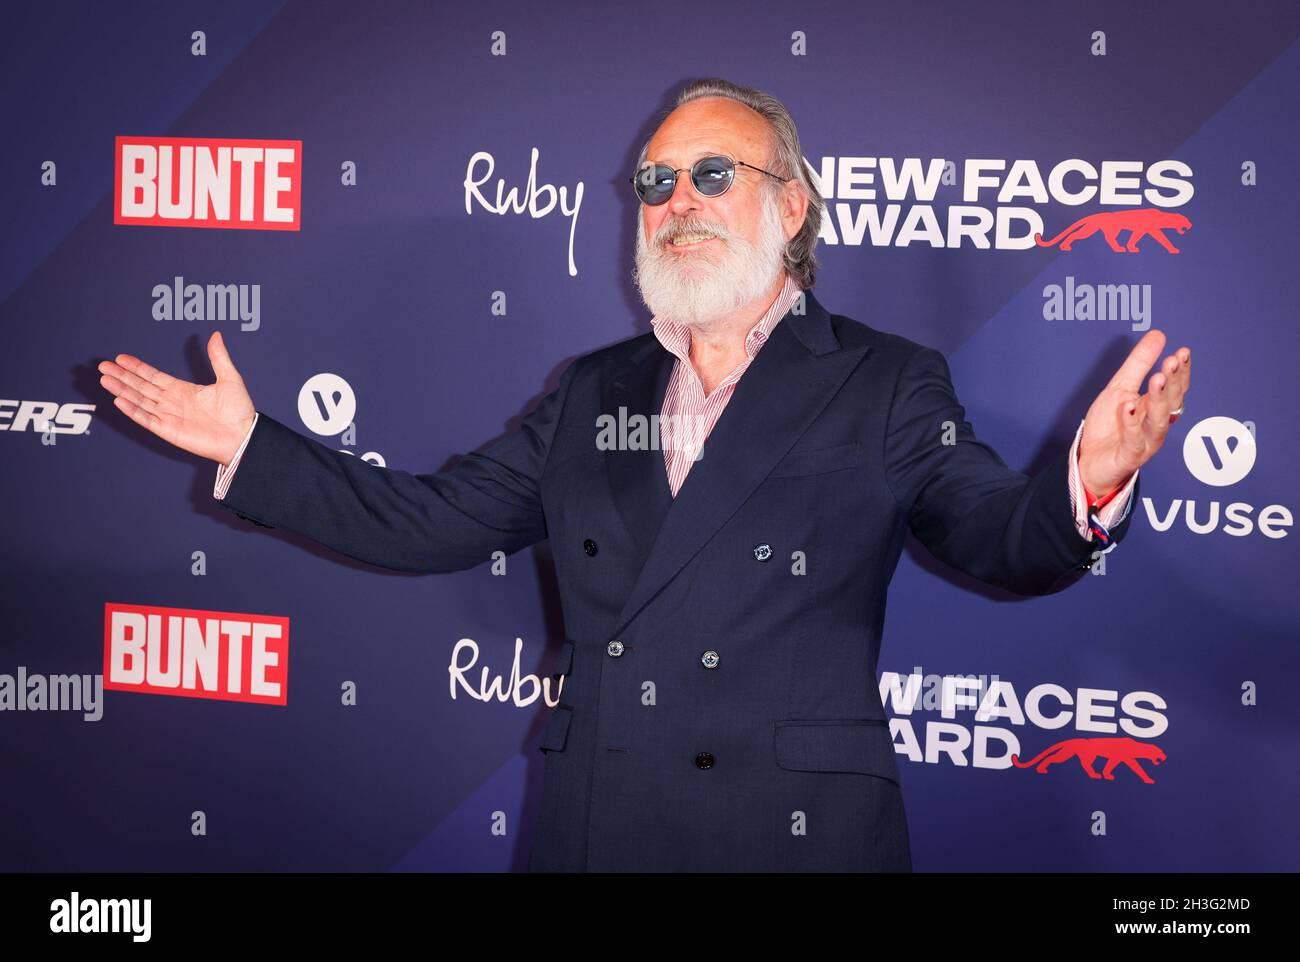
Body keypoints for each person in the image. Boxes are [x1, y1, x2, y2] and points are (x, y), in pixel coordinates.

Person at [97, 77, 1190, 872]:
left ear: (791, 206)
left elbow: (995, 532)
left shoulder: (883, 381)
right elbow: (429, 518)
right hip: (600, 823)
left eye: (713, 174)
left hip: (793, 834)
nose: (677, 200)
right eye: (657, 181)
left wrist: (1083, 480)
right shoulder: (591, 389)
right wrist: (254, 446)